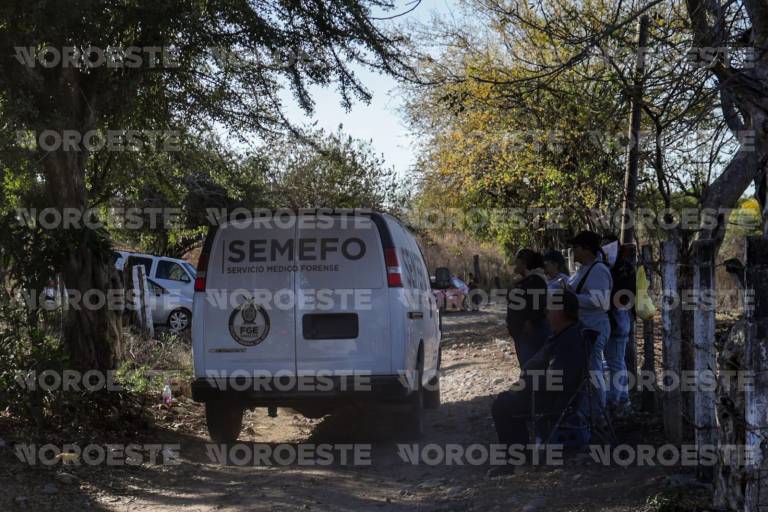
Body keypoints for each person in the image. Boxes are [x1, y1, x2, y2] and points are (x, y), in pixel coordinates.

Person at [491, 289, 586, 470]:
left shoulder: (569, 340)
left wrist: (529, 382)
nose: (546, 312)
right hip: (545, 392)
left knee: (502, 406)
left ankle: (513, 460)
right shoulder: (563, 333)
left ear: (561, 312)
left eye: (550, 308)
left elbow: (559, 378)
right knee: (506, 401)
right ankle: (521, 453)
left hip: (553, 398)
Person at [565, 231, 613, 412]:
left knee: (594, 372)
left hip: (595, 327)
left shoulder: (598, 270)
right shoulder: (583, 270)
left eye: (576, 247)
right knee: (586, 373)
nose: (573, 251)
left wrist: (572, 298)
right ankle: (587, 413)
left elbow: (600, 300)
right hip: (584, 326)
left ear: (586, 249)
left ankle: (599, 415)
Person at [605, 243, 636, 415]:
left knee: (615, 362)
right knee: (618, 361)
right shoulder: (625, 268)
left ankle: (615, 401)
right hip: (621, 318)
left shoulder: (621, 269)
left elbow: (621, 297)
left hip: (617, 318)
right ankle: (623, 399)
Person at [506, 249, 550, 368]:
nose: (515, 265)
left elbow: (537, 306)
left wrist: (528, 321)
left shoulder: (535, 280)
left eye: (517, 262)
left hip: (530, 334)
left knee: (531, 368)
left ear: (524, 263)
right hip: (525, 333)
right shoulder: (528, 280)